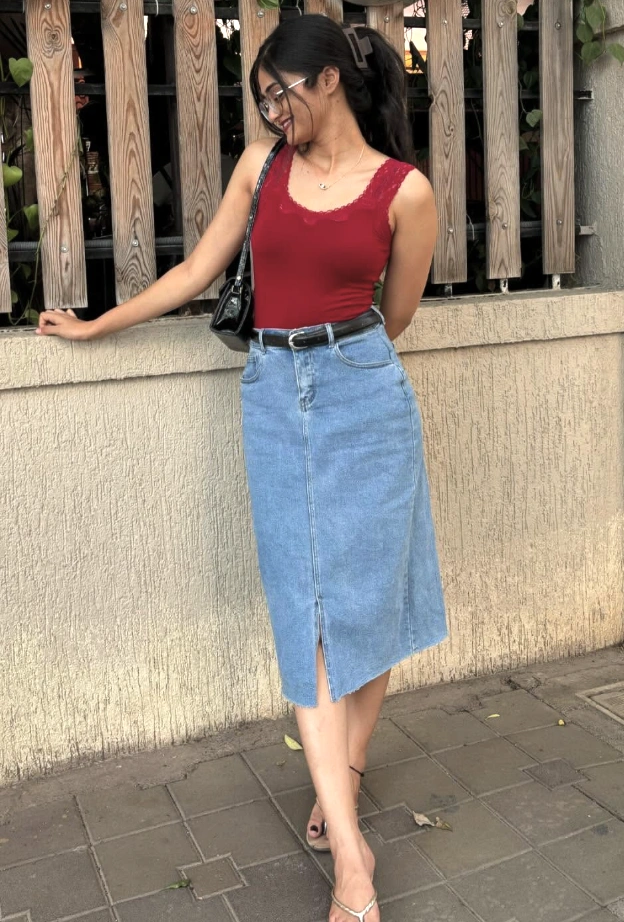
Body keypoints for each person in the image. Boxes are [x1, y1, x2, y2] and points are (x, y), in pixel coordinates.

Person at [36, 14, 448, 921]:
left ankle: (344, 773)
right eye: (261, 99)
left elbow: (396, 315)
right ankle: (352, 857)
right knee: (306, 617)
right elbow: (197, 273)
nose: (270, 111)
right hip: (272, 397)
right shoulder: (261, 170)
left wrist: (341, 361)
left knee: (368, 601)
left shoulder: (405, 191)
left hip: (366, 398)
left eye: (278, 93)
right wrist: (98, 326)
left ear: (329, 79)